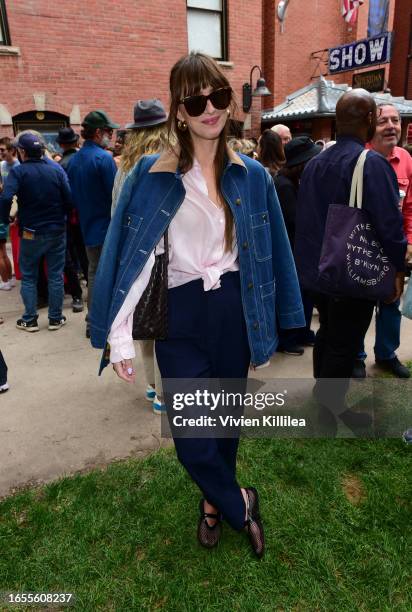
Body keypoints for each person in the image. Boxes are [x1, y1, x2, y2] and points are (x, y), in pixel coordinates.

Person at [90, 52, 305, 557]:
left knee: (224, 426)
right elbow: (129, 259)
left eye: (218, 95)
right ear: (179, 111)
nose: (209, 107)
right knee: (191, 436)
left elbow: (276, 251)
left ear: (229, 103)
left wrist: (276, 323)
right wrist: (118, 335)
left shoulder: (252, 175)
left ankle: (212, 506)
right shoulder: (150, 173)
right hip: (180, 315)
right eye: (195, 99)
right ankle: (239, 502)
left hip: (234, 308)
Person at [294, 89, 406, 433]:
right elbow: (389, 224)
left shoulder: (314, 163)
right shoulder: (371, 164)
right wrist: (398, 269)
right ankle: (331, 410)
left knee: (329, 332)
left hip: (318, 271)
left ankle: (323, 395)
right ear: (369, 120)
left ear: (337, 121)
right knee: (344, 342)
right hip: (351, 272)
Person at [111, 98, 169, 414]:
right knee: (162, 326)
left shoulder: (125, 166)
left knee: (146, 324)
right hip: (160, 256)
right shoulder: (164, 163)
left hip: (133, 256)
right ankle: (162, 392)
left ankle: (151, 385)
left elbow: (115, 215)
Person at [353, 104, 412, 379]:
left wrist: (409, 241)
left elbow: (409, 207)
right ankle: (356, 357)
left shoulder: (406, 159)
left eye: (396, 120)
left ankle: (387, 354)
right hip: (363, 246)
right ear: (370, 127)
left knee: (392, 302)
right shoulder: (359, 158)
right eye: (383, 121)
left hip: (393, 246)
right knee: (360, 306)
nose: (391, 126)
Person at [0, 133, 72, 331]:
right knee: (56, 274)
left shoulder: (19, 172)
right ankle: (55, 318)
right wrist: (61, 217)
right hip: (56, 229)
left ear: (21, 151)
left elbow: (6, 197)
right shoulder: (54, 170)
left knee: (30, 275)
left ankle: (30, 319)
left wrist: (6, 217)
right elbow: (69, 198)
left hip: (31, 231)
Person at [67, 110, 119, 337]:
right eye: (108, 131)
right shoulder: (103, 158)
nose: (111, 135)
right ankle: (102, 320)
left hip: (87, 226)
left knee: (94, 273)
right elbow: (116, 196)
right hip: (107, 226)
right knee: (105, 274)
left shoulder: (75, 159)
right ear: (98, 132)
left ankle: (94, 320)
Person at [274, 137, 321, 354]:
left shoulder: (295, 182)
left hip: (301, 251)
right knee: (294, 295)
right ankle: (289, 338)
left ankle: (302, 332)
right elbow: (294, 220)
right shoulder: (283, 185)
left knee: (305, 295)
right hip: (292, 252)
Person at [0, 137, 19, 291]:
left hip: (17, 209)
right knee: (8, 247)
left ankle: (9, 279)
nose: (0, 153)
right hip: (6, 208)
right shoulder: (2, 166)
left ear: (12, 150)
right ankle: (12, 276)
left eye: (2, 150)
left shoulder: (19, 166)